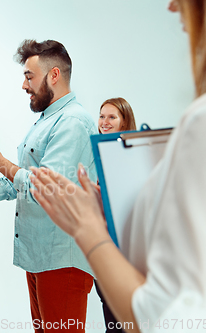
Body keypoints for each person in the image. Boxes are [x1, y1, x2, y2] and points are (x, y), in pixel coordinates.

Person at [29, 1, 206, 332]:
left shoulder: (201, 122)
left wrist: (88, 229)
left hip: (85, 260)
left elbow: (163, 317)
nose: (171, 6)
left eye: (111, 116)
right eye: (102, 116)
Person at [0, 40, 97, 332]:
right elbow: (20, 180)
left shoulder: (73, 122)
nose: (24, 86)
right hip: (40, 256)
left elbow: (45, 187)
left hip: (61, 259)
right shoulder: (46, 121)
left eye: (29, 76)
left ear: (53, 75)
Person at [96, 97, 136, 333]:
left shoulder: (129, 154)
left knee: (123, 320)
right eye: (102, 116)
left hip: (123, 249)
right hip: (102, 245)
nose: (105, 121)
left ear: (124, 122)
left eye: (112, 117)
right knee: (110, 314)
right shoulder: (97, 153)